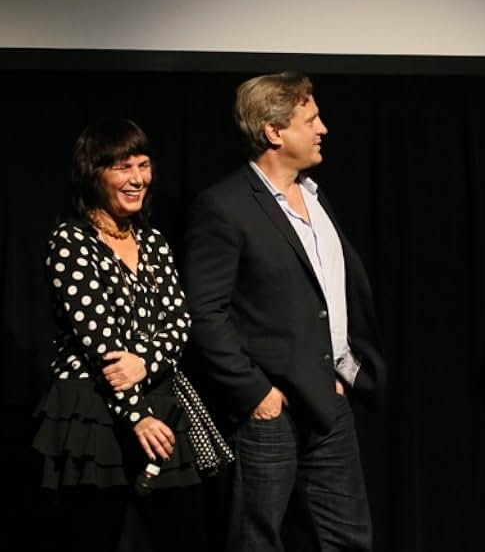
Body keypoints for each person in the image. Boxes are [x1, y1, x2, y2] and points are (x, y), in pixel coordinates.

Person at [184, 71, 387, 551]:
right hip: (270, 412)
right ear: (275, 132)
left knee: (349, 539)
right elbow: (205, 313)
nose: (324, 129)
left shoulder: (316, 198)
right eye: (311, 119)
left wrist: (342, 371)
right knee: (257, 540)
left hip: (331, 402)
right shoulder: (225, 206)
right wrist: (257, 394)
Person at [32, 118, 207, 552]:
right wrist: (136, 416)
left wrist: (146, 361)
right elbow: (101, 345)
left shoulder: (154, 241)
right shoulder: (71, 242)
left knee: (183, 533)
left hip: (159, 399)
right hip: (93, 414)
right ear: (93, 174)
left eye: (144, 165)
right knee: (94, 534)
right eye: (122, 167)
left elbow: (179, 321)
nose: (137, 179)